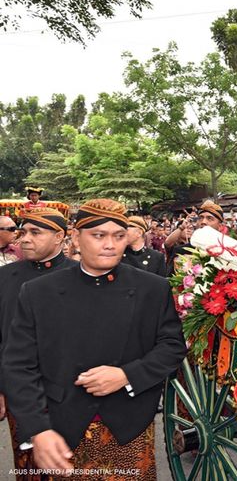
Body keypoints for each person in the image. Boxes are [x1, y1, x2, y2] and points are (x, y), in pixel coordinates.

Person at [1, 198, 186, 479]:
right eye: (99, 235)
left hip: (128, 427)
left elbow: (172, 346)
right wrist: (38, 428)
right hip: (60, 427)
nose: (110, 244)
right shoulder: (38, 292)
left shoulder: (153, 288)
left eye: (119, 235)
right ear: (75, 237)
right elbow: (18, 364)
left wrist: (127, 375)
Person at [0, 208, 78, 479]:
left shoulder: (81, 277)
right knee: (27, 467)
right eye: (22, 233)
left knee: (69, 466)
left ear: (59, 237)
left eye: (35, 232)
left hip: (72, 393)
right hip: (20, 392)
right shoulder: (5, 277)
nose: (24, 239)